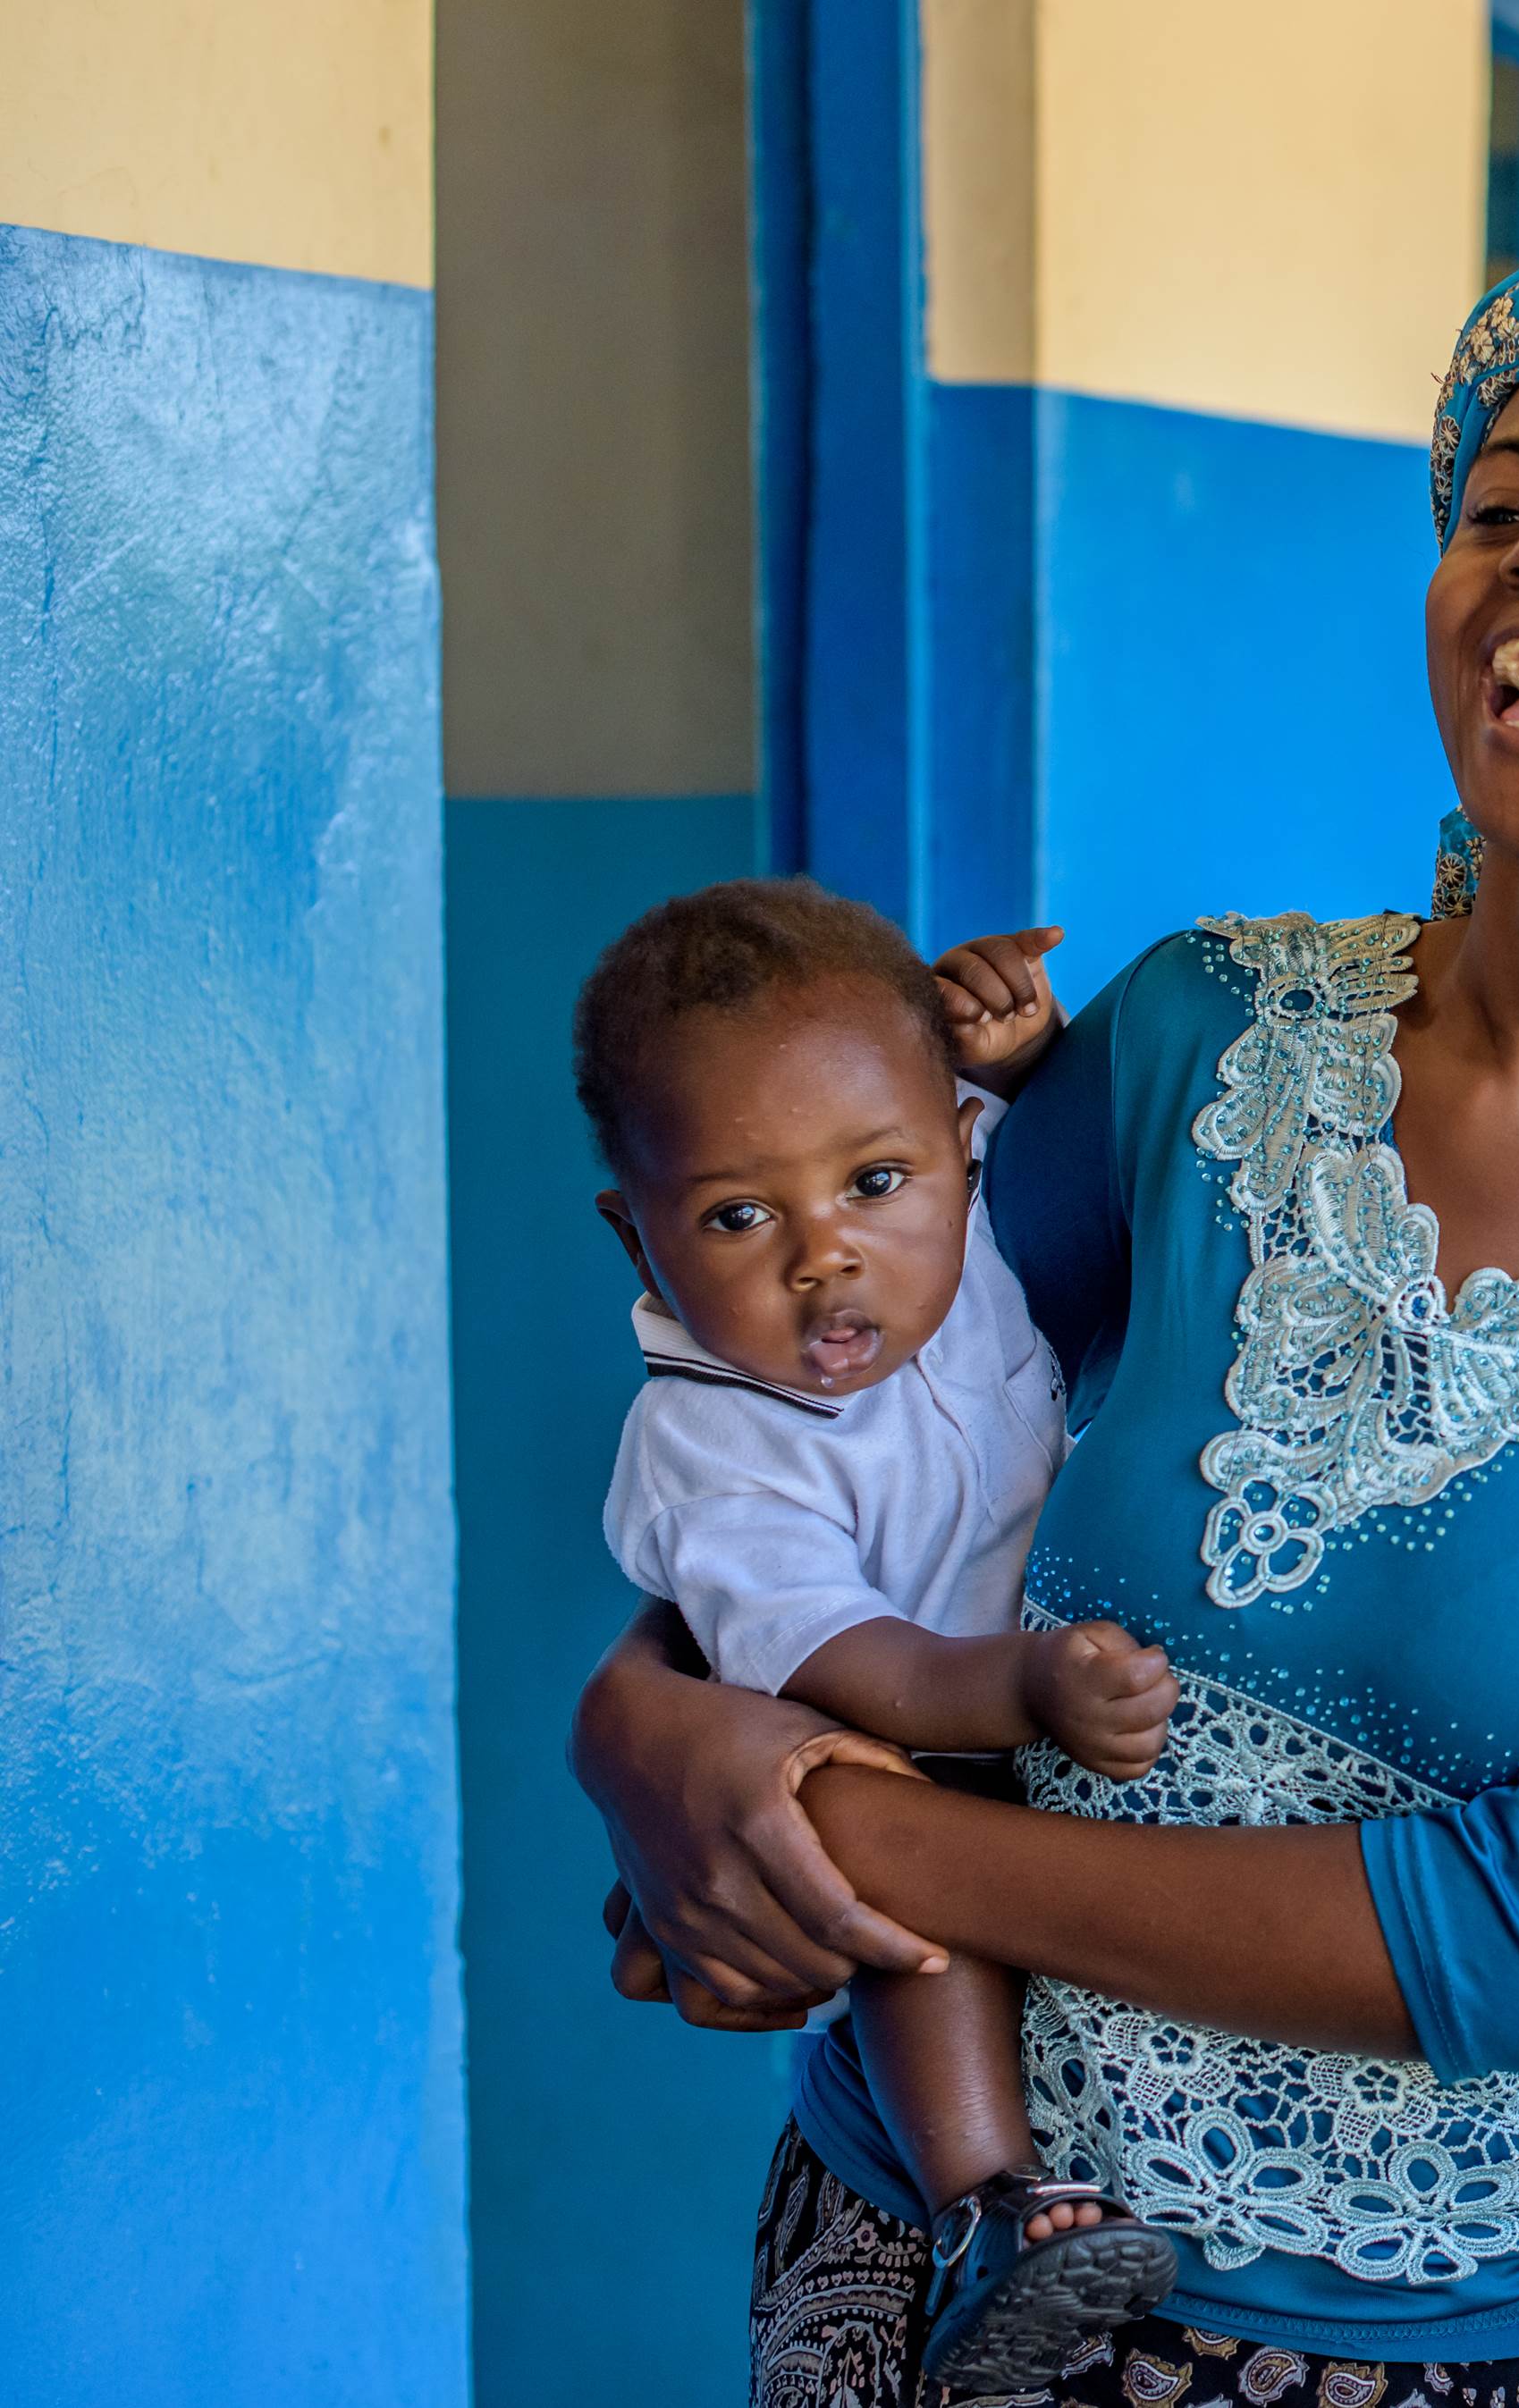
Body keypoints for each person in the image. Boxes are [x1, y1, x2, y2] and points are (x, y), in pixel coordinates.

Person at [569, 234, 1519, 2403]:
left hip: (1397, 2359)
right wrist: (650, 1728)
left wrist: (814, 1822)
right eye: (1499, 502)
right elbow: (840, 1454)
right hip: (898, 2254)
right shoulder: (1201, 1034)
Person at [575, 880, 1186, 2388]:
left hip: (1041, 1710)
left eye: (875, 1181)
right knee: (917, 1911)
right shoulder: (709, 1437)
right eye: (736, 1213)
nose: (823, 1255)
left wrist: (1026, 1047)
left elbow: (1019, 1140)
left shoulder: (961, 1248)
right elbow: (842, 1654)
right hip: (904, 1734)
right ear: (639, 1237)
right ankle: (992, 2206)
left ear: (956, 1149)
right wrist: (1022, 1684)